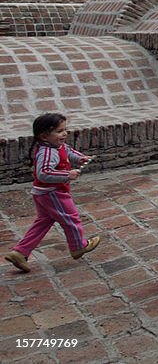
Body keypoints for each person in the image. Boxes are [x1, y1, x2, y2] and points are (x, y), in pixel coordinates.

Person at [4, 113, 101, 273]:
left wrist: (81, 158)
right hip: (53, 193)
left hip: (43, 194)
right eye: (59, 131)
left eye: (65, 129)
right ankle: (78, 246)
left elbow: (68, 151)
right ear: (44, 136)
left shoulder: (56, 146)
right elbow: (43, 173)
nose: (64, 134)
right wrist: (66, 175)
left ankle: (20, 252)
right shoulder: (47, 152)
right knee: (71, 218)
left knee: (43, 222)